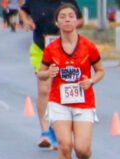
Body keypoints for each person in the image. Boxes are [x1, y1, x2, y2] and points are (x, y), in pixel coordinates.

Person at [37, 2, 103, 159]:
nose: (67, 19)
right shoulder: (51, 49)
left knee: (82, 149)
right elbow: (40, 73)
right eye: (63, 16)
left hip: (84, 103)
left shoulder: (88, 46)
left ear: (77, 21)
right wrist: (48, 73)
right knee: (65, 145)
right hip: (59, 102)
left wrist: (91, 80)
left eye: (71, 16)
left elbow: (100, 70)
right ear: (57, 22)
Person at [19, 0, 82, 149]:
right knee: (44, 90)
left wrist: (68, 26)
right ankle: (45, 132)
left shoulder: (66, 2)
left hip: (63, 48)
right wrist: (27, 21)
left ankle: (59, 129)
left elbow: (80, 20)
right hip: (41, 48)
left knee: (61, 90)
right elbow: (23, 10)